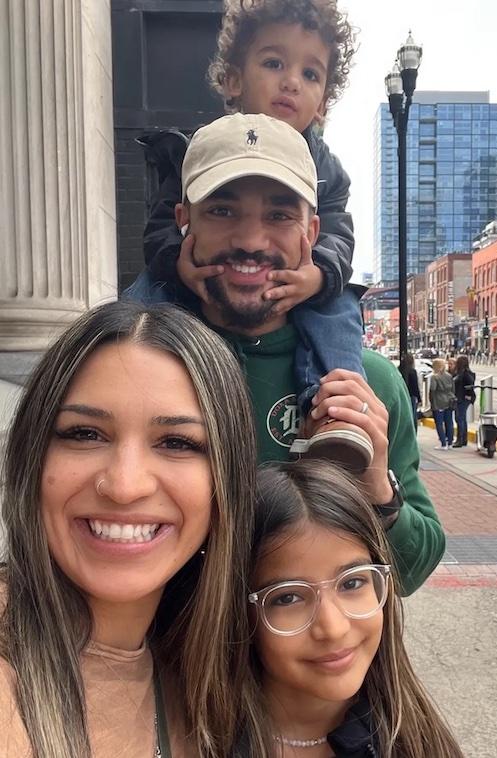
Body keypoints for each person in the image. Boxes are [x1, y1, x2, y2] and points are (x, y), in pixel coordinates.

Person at [125, 111, 444, 596]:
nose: (251, 241)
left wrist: (377, 491)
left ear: (312, 232)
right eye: (222, 211)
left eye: (279, 214)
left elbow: (410, 573)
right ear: (183, 221)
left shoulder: (365, 384)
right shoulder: (136, 372)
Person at [0, 301, 257, 757]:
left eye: (177, 442)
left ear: (224, 492)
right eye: (84, 434)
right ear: (31, 461)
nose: (123, 486)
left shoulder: (208, 676)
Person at [129, 0, 372, 471]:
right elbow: (160, 224)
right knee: (139, 302)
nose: (290, 82)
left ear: (322, 102)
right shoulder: (201, 150)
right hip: (195, 273)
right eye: (274, 63)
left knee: (340, 309)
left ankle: (333, 412)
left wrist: (319, 275)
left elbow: (340, 233)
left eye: (309, 73)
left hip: (302, 281)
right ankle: (125, 378)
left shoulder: (327, 170)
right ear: (234, 80)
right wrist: (174, 261)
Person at [237, 461, 464, 757]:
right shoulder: (189, 740)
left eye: (352, 583)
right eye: (288, 597)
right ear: (240, 611)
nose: (333, 628)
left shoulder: (417, 742)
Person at [429, 358, 455, 451]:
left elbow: (433, 389)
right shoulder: (449, 376)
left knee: (439, 423)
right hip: (449, 400)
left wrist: (431, 402)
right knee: (449, 422)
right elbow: (453, 388)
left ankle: (443, 443)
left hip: (439, 401)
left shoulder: (434, 377)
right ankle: (450, 442)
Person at [452, 355, 476, 448]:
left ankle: (460, 439)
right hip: (461, 398)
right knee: (461, 418)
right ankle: (463, 439)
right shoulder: (460, 373)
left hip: (463, 398)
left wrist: (468, 396)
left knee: (460, 418)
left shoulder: (465, 374)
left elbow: (470, 385)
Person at [399, 353, 421, 432]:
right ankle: (413, 432)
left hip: (402, 395)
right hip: (411, 396)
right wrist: (419, 399)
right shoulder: (412, 371)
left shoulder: (399, 369)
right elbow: (415, 386)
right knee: (412, 416)